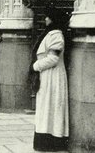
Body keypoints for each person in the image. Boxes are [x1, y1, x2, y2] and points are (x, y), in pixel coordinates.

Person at [30, 8, 70, 152]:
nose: (45, 19)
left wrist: (36, 66)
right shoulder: (49, 34)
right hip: (47, 76)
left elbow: (53, 58)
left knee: (52, 108)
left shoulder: (56, 35)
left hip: (54, 77)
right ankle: (44, 140)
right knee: (46, 108)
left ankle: (53, 141)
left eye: (48, 17)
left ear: (53, 20)